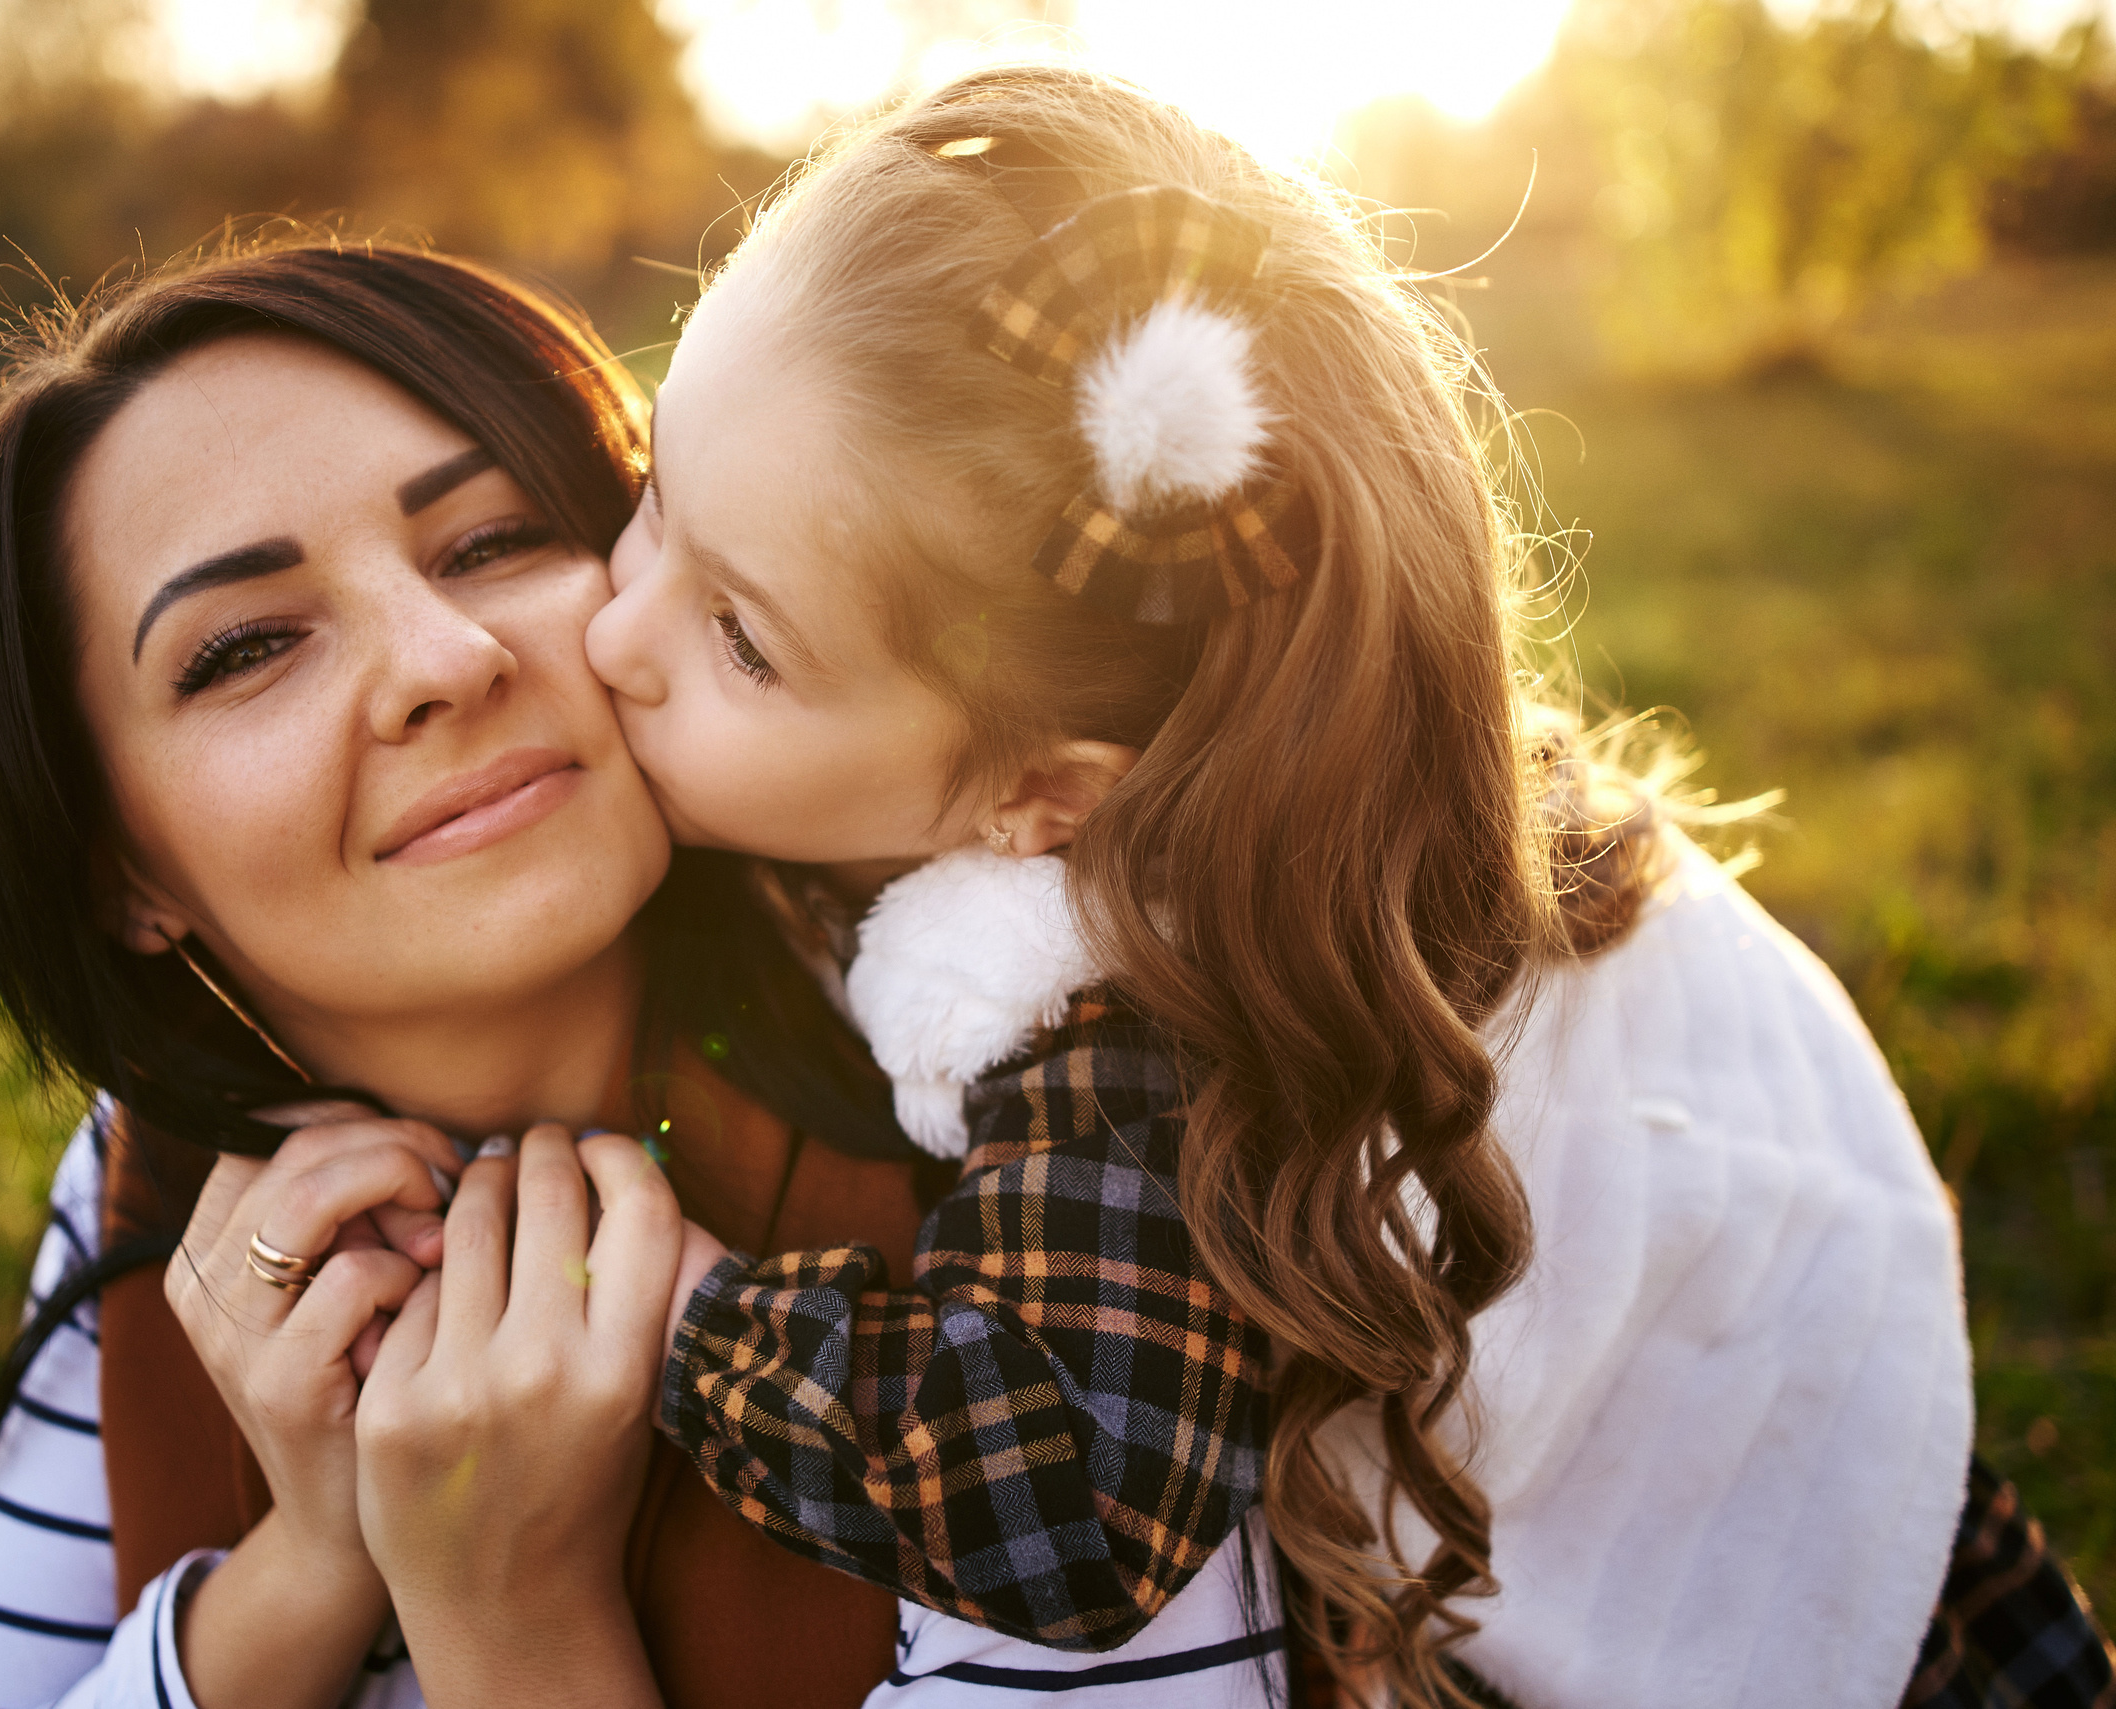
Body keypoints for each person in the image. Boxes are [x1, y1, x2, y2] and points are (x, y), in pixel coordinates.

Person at [580, 63, 2115, 1708]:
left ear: (1045, 800)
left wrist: (690, 1318)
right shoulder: (1332, 786)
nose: (613, 632)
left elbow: (1074, 1501)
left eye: (740, 637)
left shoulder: (1132, 1005)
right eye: (658, 495)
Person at [0, 239, 950, 1709]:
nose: (441, 657)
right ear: (117, 873)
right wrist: (308, 1570)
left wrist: (506, 1609)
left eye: (492, 541)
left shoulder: (1007, 1104)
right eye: (248, 645)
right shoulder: (167, 1186)